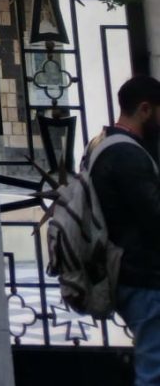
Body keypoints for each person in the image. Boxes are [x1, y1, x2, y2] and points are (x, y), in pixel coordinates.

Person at [92, 75, 160, 384]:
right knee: (154, 370)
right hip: (143, 275)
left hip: (128, 272)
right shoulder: (127, 155)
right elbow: (154, 216)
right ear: (145, 109)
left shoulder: (102, 145)